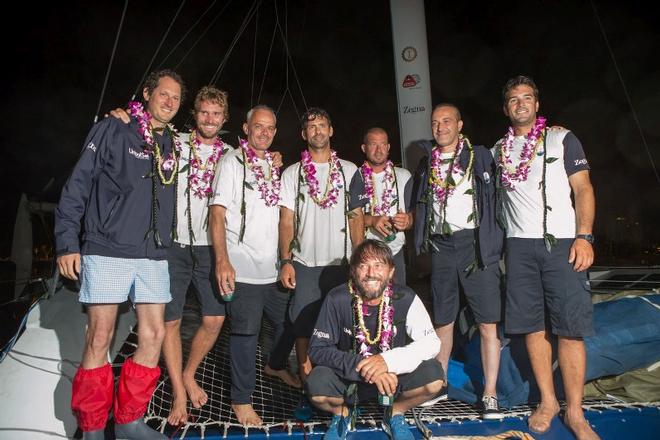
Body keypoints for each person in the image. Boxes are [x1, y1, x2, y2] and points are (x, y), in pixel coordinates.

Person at [55, 69, 185, 440]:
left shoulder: (172, 142)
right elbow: (78, 182)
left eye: (176, 98)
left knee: (155, 333)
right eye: (163, 94)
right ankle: (93, 427)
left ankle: (129, 419)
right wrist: (67, 241)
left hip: (153, 253)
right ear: (146, 93)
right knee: (100, 336)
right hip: (108, 247)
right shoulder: (114, 128)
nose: (170, 102)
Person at [495, 75, 598, 439]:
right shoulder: (499, 151)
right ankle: (548, 401)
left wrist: (584, 237)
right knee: (532, 327)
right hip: (519, 247)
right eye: (513, 99)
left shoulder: (561, 138)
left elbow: (583, 188)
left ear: (537, 105)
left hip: (562, 243)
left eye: (527, 98)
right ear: (506, 108)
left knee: (570, 328)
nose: (520, 103)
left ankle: (576, 412)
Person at [411, 103, 505, 418]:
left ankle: (490, 394)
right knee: (443, 321)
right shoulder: (426, 164)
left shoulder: (480, 156)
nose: (440, 127)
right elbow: (420, 208)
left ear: (459, 124)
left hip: (474, 243)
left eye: (447, 121)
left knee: (487, 323)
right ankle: (439, 386)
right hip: (441, 246)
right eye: (435, 122)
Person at [209, 105, 300, 426]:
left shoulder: (274, 165)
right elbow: (216, 214)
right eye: (258, 126)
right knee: (246, 335)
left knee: (292, 321)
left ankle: (275, 365)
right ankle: (241, 400)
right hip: (242, 269)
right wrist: (222, 260)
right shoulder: (231, 162)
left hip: (273, 269)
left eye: (270, 128)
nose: (264, 132)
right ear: (246, 128)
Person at [306, 239, 444, 440]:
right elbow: (317, 349)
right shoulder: (337, 298)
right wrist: (366, 367)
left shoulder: (405, 297)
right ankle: (342, 413)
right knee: (316, 385)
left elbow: (432, 343)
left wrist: (388, 362)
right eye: (363, 266)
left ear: (391, 271)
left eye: (378, 265)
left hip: (393, 381)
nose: (371, 273)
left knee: (434, 377)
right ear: (353, 271)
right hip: (350, 380)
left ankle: (395, 413)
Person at [278, 108, 361, 384]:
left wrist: (359, 258)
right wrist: (286, 260)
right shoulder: (292, 173)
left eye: (322, 125)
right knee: (303, 326)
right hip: (305, 263)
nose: (318, 131)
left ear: (331, 130)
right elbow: (286, 220)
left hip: (342, 263)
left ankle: (342, 380)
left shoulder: (349, 170)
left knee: (345, 325)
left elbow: (357, 216)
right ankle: (306, 383)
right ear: (304, 134)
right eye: (312, 127)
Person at [349, 127, 413, 285]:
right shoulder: (354, 176)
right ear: (364, 148)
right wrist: (371, 220)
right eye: (373, 145)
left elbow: (415, 215)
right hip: (366, 255)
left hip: (396, 253)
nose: (379, 150)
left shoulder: (404, 176)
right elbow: (347, 217)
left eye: (383, 144)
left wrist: (408, 220)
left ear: (388, 147)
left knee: (397, 301)